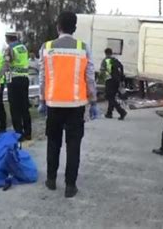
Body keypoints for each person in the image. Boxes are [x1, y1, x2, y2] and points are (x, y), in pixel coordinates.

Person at [37, 11, 98, 198]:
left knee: (53, 142)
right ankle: (70, 185)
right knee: (73, 145)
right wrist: (93, 101)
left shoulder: (46, 47)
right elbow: (89, 77)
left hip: (54, 103)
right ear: (75, 28)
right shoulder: (83, 47)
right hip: (76, 104)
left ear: (58, 26)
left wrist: (42, 100)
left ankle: (51, 179)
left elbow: (42, 76)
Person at [0, 32, 32, 143]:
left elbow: (6, 65)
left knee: (15, 108)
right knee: (24, 106)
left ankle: (18, 134)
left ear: (7, 39)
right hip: (25, 78)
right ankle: (28, 133)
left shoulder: (9, 48)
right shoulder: (23, 48)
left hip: (13, 79)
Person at [100, 48, 127, 120]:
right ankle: (109, 113)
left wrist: (102, 80)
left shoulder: (106, 60)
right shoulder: (115, 60)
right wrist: (121, 79)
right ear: (111, 53)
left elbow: (103, 71)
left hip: (110, 81)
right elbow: (121, 68)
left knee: (109, 97)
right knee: (112, 97)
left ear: (105, 53)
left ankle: (121, 111)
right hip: (117, 81)